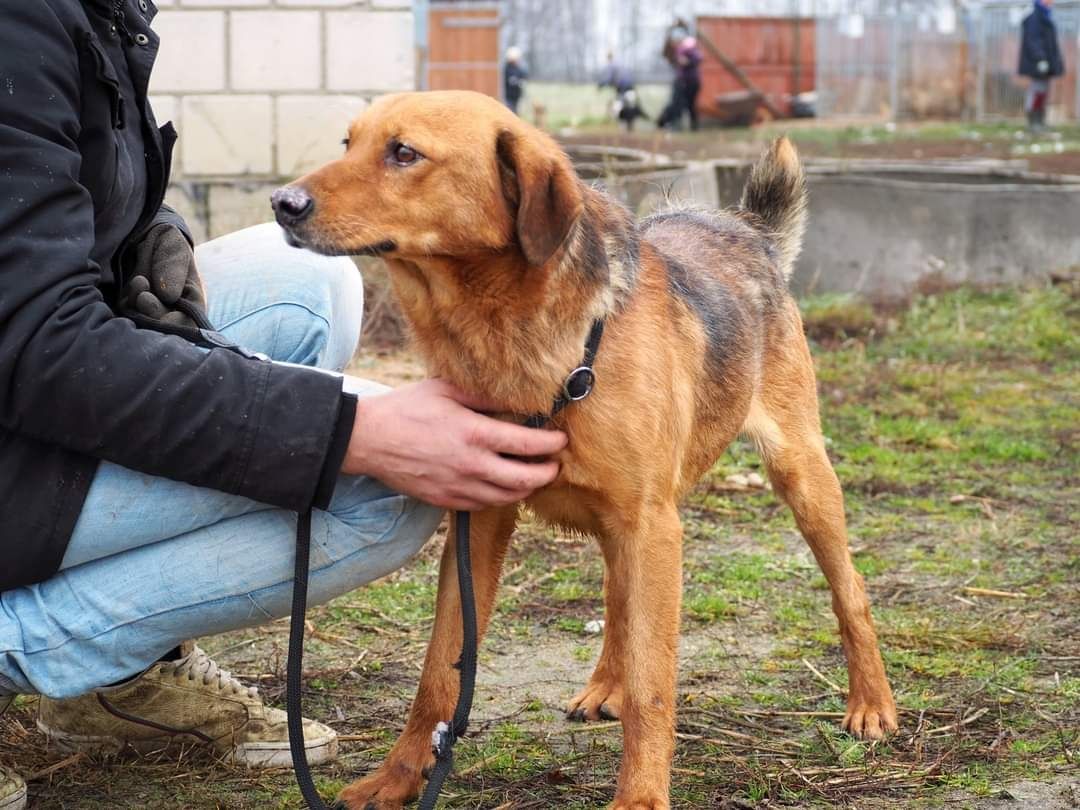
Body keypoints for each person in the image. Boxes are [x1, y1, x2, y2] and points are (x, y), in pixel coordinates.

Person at [0, 3, 566, 809]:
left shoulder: (90, 11)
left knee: (307, 284)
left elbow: (44, 188)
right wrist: (346, 432)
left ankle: (114, 677)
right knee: (383, 487)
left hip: (27, 381)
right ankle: (29, 643)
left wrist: (149, 233)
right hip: (25, 377)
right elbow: (35, 346)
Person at [1019, 0, 1064, 132]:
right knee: (1037, 91)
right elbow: (1033, 40)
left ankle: (1040, 120)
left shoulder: (1045, 15)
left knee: (1043, 91)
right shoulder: (1035, 16)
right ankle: (1033, 122)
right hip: (1038, 62)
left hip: (1046, 61)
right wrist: (1040, 59)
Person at [658, 24, 704, 131]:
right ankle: (676, 125)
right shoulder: (678, 49)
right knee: (679, 104)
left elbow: (698, 58)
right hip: (683, 81)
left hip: (691, 82)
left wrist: (688, 62)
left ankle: (693, 127)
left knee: (689, 105)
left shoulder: (688, 47)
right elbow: (667, 55)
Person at [598, 51, 648, 131]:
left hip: (622, 88)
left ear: (608, 58)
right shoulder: (620, 64)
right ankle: (630, 126)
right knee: (631, 105)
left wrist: (601, 85)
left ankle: (622, 127)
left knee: (619, 106)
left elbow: (608, 79)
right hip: (630, 86)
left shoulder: (611, 66)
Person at [504, 46, 528, 115]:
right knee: (510, 113)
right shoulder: (507, 69)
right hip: (509, 97)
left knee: (515, 113)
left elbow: (523, 76)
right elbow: (510, 81)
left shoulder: (518, 69)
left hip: (516, 96)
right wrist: (517, 82)